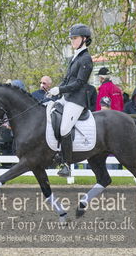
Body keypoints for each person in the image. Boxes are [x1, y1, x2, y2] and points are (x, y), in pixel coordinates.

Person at [47, 23, 93, 177]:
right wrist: (55, 92)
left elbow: (79, 83)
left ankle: (66, 164)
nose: (72, 41)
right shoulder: (76, 57)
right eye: (71, 38)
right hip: (67, 97)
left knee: (65, 128)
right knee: (50, 113)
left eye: (75, 38)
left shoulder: (86, 59)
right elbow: (67, 80)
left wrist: (60, 90)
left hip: (77, 100)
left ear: (84, 39)